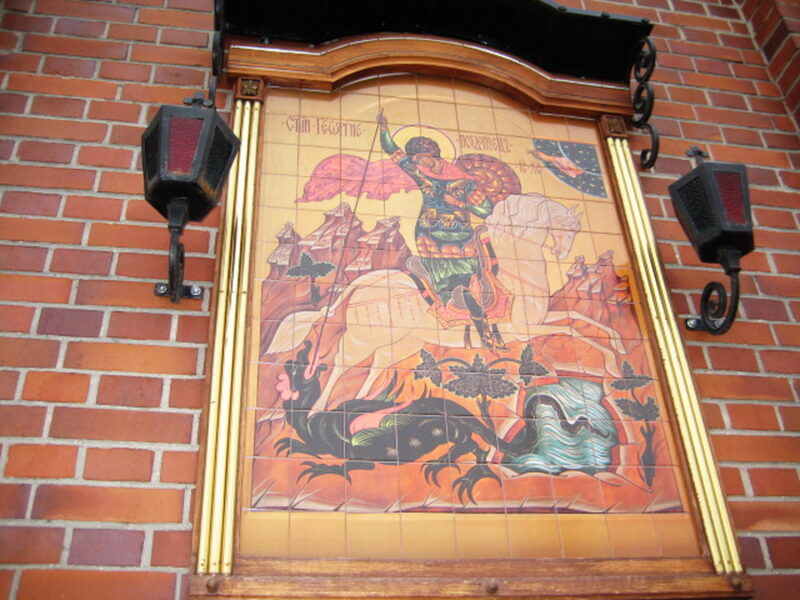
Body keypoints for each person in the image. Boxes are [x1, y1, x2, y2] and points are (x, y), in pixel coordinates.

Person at [376, 110, 506, 349]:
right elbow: (394, 152)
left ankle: (483, 322)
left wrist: (460, 204)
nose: (416, 162)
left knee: (475, 279)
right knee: (452, 283)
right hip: (431, 237)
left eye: (420, 158)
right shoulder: (421, 173)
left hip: (460, 238)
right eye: (415, 159)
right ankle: (477, 324)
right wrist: (383, 129)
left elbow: (486, 210)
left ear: (433, 156)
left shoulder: (466, 181)